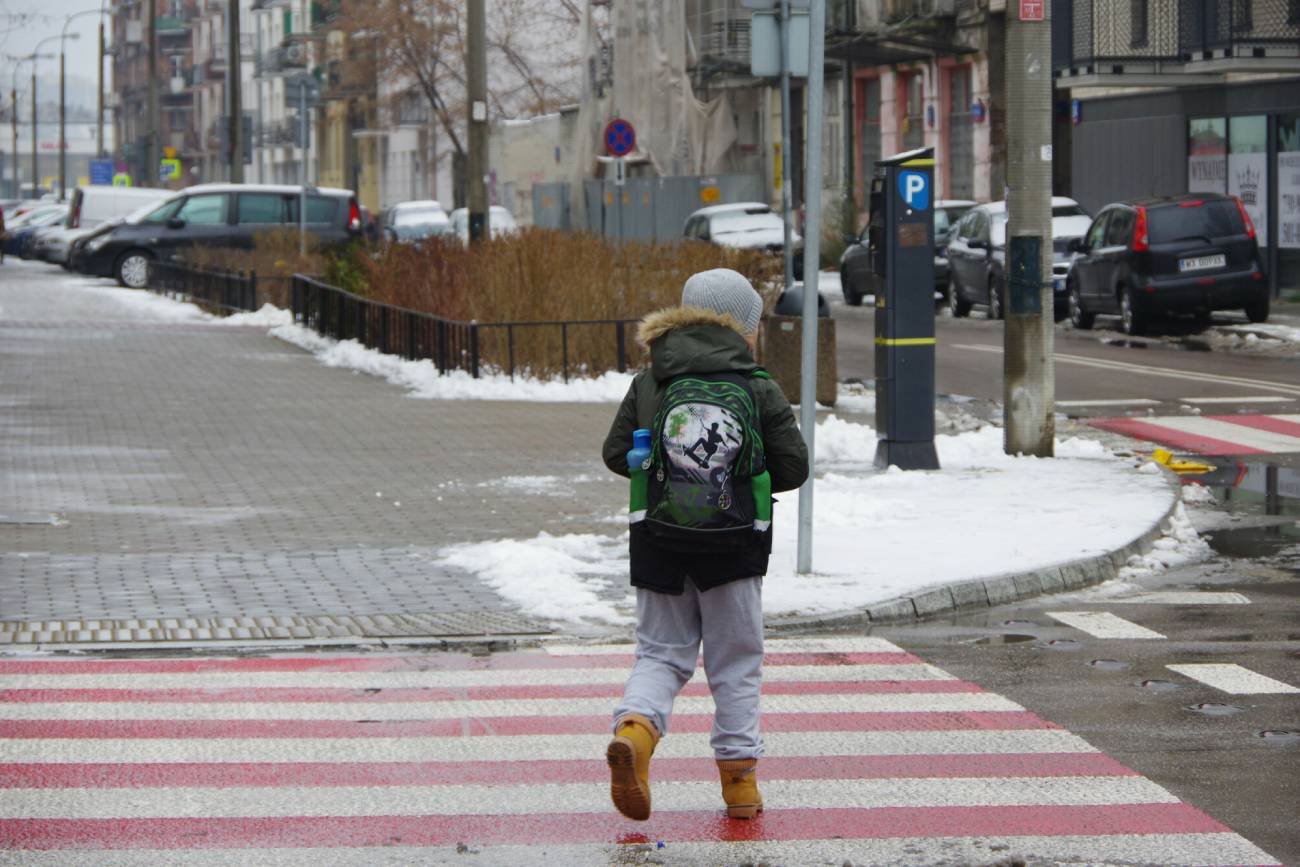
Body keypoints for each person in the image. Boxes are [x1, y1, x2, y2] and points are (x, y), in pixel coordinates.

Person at [601, 268, 809, 821]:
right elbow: (794, 467)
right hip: (734, 546)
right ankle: (740, 785)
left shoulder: (652, 381)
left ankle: (636, 735)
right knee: (735, 661)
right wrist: (730, 481)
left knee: (661, 654)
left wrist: (673, 482)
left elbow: (615, 453)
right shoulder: (756, 385)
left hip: (658, 542)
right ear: (743, 328)